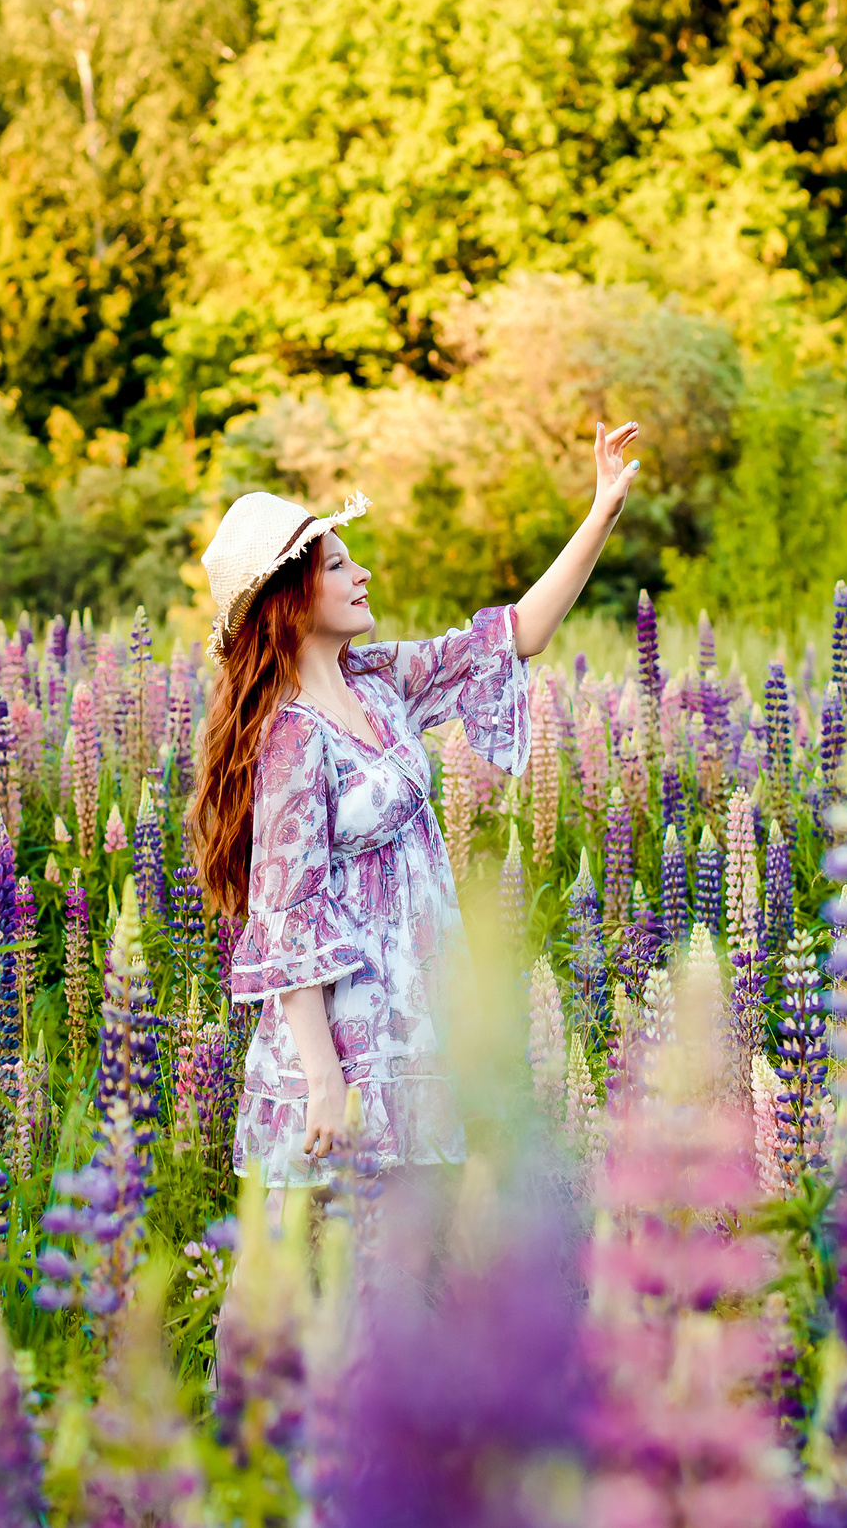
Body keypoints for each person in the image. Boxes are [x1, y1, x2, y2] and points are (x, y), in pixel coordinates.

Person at [188, 421, 643, 1218]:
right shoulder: (290, 737)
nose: (361, 573)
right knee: (347, 1259)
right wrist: (323, 1081)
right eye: (337, 565)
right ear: (290, 599)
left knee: (414, 1253)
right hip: (352, 1032)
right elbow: (286, 917)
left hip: (416, 1004)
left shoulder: (377, 682)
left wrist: (602, 509)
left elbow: (516, 634)